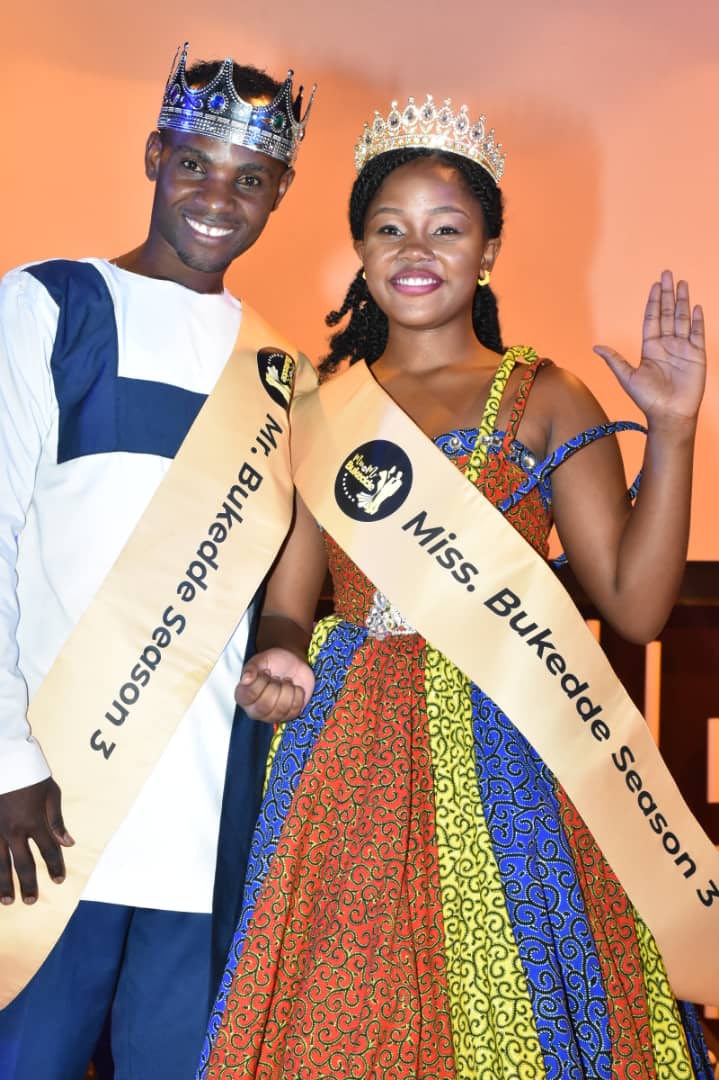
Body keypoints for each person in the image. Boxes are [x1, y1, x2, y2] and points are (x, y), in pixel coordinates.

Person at [199, 97, 714, 1077]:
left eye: (446, 226)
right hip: (347, 746)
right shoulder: (325, 405)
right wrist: (276, 650)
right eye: (388, 227)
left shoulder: (547, 393)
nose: (414, 247)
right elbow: (292, 589)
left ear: (486, 250)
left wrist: (676, 431)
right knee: (343, 999)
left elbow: (637, 607)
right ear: (357, 248)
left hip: (518, 733)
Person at [0, 43, 314, 1080]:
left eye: (249, 179)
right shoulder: (52, 305)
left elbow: (283, 581)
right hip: (54, 800)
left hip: (201, 811)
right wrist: (8, 766)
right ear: (152, 155)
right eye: (193, 164)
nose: (217, 198)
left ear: (279, 193)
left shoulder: (281, 371)